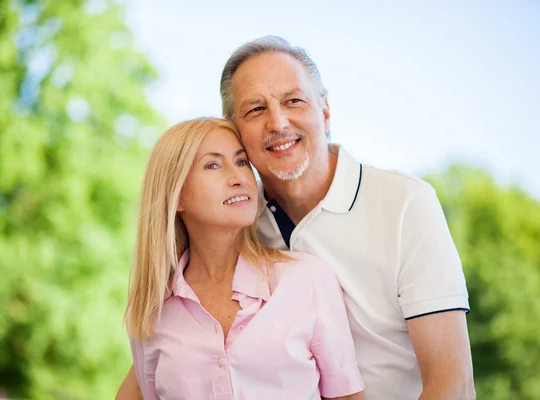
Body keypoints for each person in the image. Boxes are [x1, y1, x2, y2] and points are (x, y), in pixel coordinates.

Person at [217, 36, 476, 400]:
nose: (277, 121)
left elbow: (453, 386)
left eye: (294, 100)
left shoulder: (406, 203)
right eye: (255, 110)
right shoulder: (234, 227)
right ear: (236, 133)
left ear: (324, 112)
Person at [118, 117, 365, 400]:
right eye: (212, 165)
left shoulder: (306, 279)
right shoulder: (152, 313)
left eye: (241, 162)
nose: (238, 178)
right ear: (177, 197)